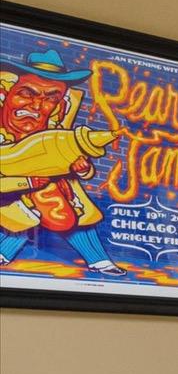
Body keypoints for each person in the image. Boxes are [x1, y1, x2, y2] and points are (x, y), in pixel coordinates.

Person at [0, 47, 125, 275]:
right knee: (25, 213)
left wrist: (83, 169)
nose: (37, 106)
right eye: (27, 93)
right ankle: (3, 251)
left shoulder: (55, 130)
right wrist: (26, 182)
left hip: (52, 186)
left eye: (50, 98)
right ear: (7, 91)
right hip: (10, 188)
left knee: (77, 212)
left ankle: (98, 259)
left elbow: (78, 162)